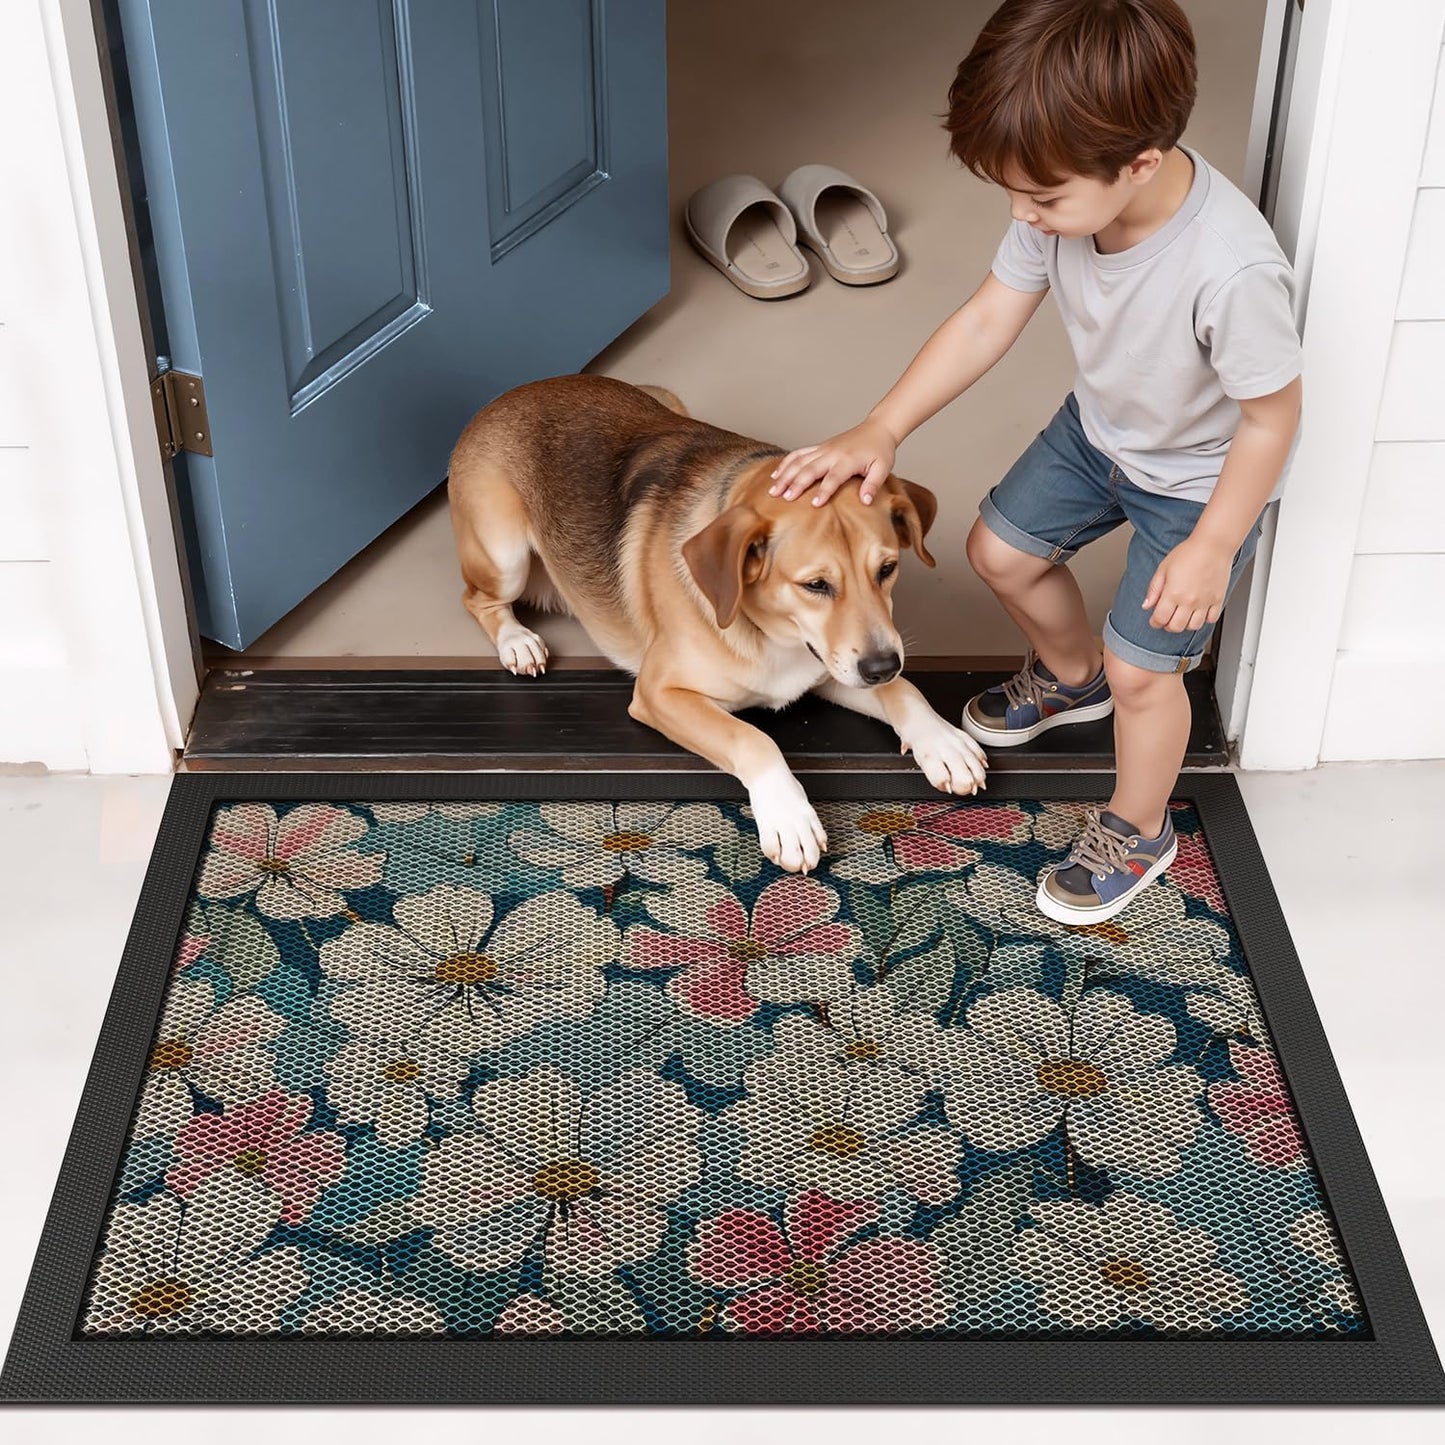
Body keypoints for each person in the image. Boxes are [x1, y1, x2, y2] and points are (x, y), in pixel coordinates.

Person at [768, 0, 1302, 924]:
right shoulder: (1056, 199)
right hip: (1098, 431)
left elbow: (1270, 418)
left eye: (1042, 198)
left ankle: (1138, 826)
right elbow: (986, 317)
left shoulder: (1233, 271)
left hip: (1201, 480)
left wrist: (1213, 543)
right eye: (1011, 193)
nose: (1023, 215)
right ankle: (1068, 674)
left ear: (1137, 164)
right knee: (998, 551)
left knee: (1147, 672)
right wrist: (881, 426)